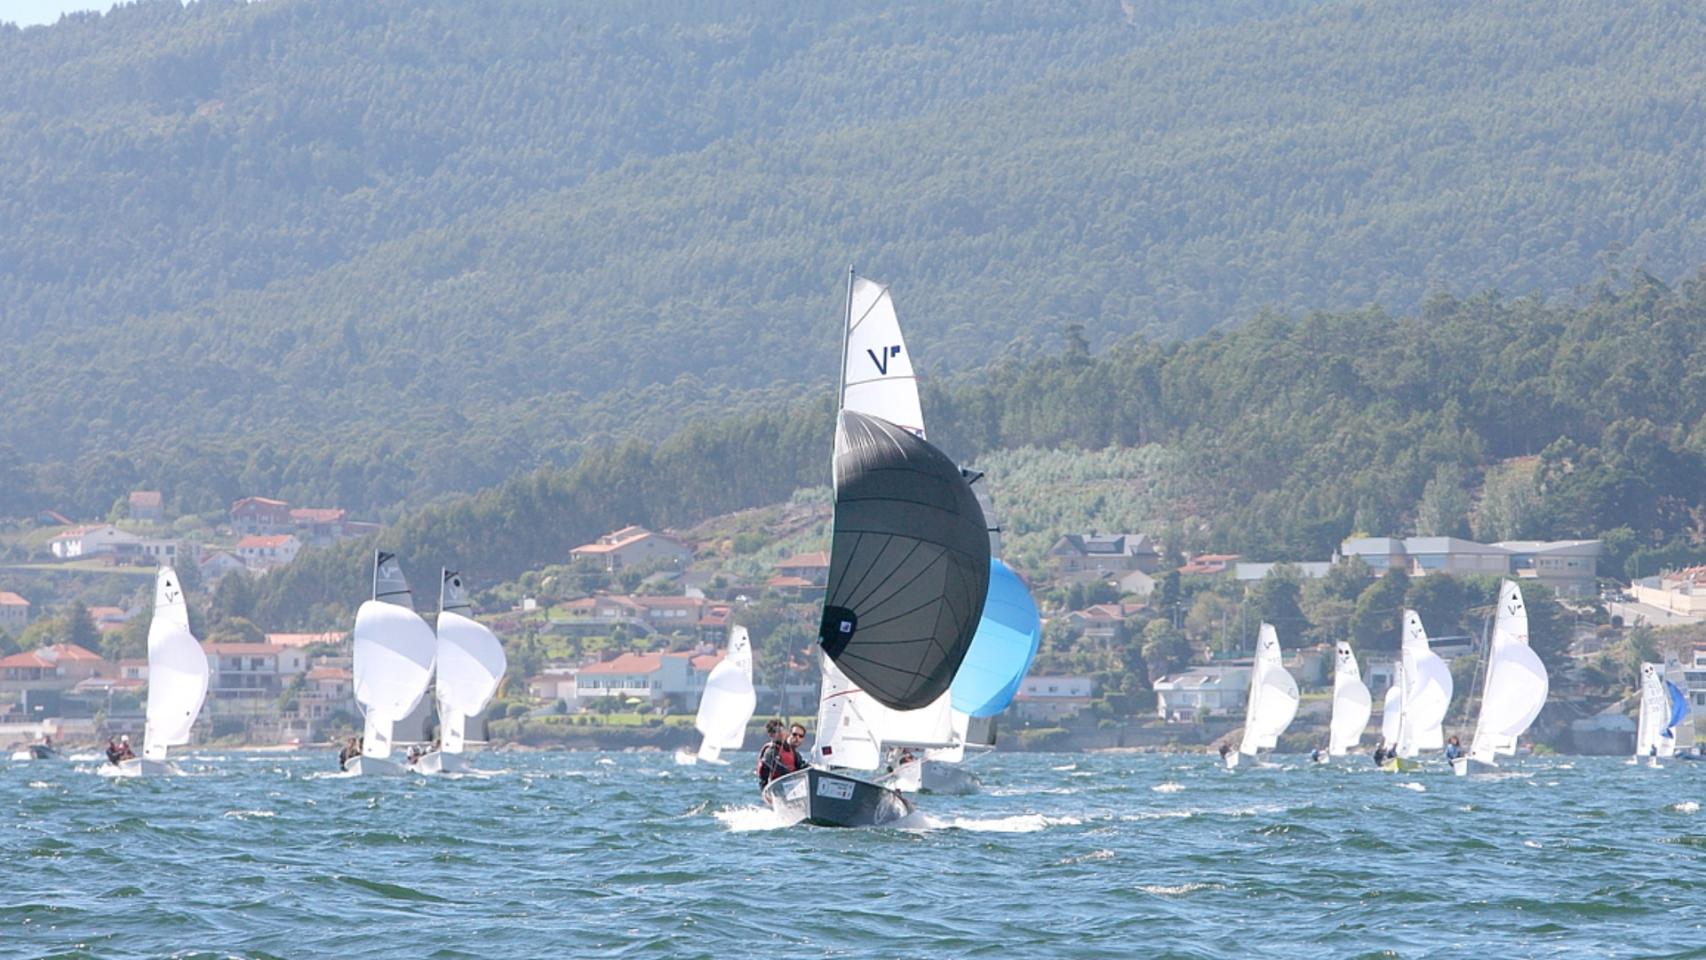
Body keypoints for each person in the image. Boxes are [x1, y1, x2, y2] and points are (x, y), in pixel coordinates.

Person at [755, 720, 788, 791]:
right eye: (778, 731)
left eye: (782, 730)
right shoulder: (769, 752)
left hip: (789, 784)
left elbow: (800, 763)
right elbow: (777, 766)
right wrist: (793, 772)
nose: (781, 733)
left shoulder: (788, 749)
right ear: (770, 735)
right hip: (775, 788)